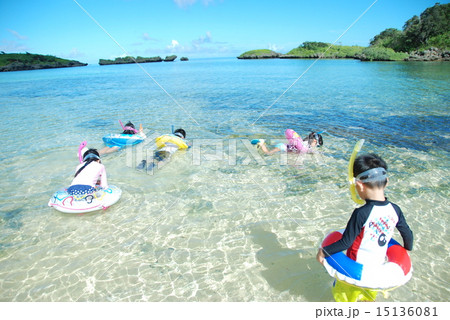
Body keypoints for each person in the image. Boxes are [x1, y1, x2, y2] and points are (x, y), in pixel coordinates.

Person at [316, 153, 413, 301]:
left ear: (359, 185)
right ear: (386, 182)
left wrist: (323, 252)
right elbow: (407, 233)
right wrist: (406, 249)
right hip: (376, 270)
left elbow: (346, 242)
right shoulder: (395, 209)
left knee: (345, 299)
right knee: (367, 297)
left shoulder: (361, 213)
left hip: (355, 269)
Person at [254, 129, 323, 155]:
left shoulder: (304, 142)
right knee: (268, 153)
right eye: (317, 145)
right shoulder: (305, 145)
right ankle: (261, 143)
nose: (316, 147)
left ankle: (261, 145)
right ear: (314, 141)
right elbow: (310, 151)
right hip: (282, 147)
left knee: (270, 151)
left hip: (283, 146)